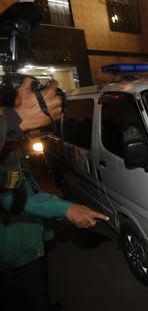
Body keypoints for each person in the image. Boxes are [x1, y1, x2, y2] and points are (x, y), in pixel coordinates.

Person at [0, 77, 109, 311]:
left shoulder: (11, 141)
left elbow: (24, 182)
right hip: (13, 253)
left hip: (32, 242)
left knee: (40, 290)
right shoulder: (8, 131)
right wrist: (65, 208)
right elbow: (9, 196)